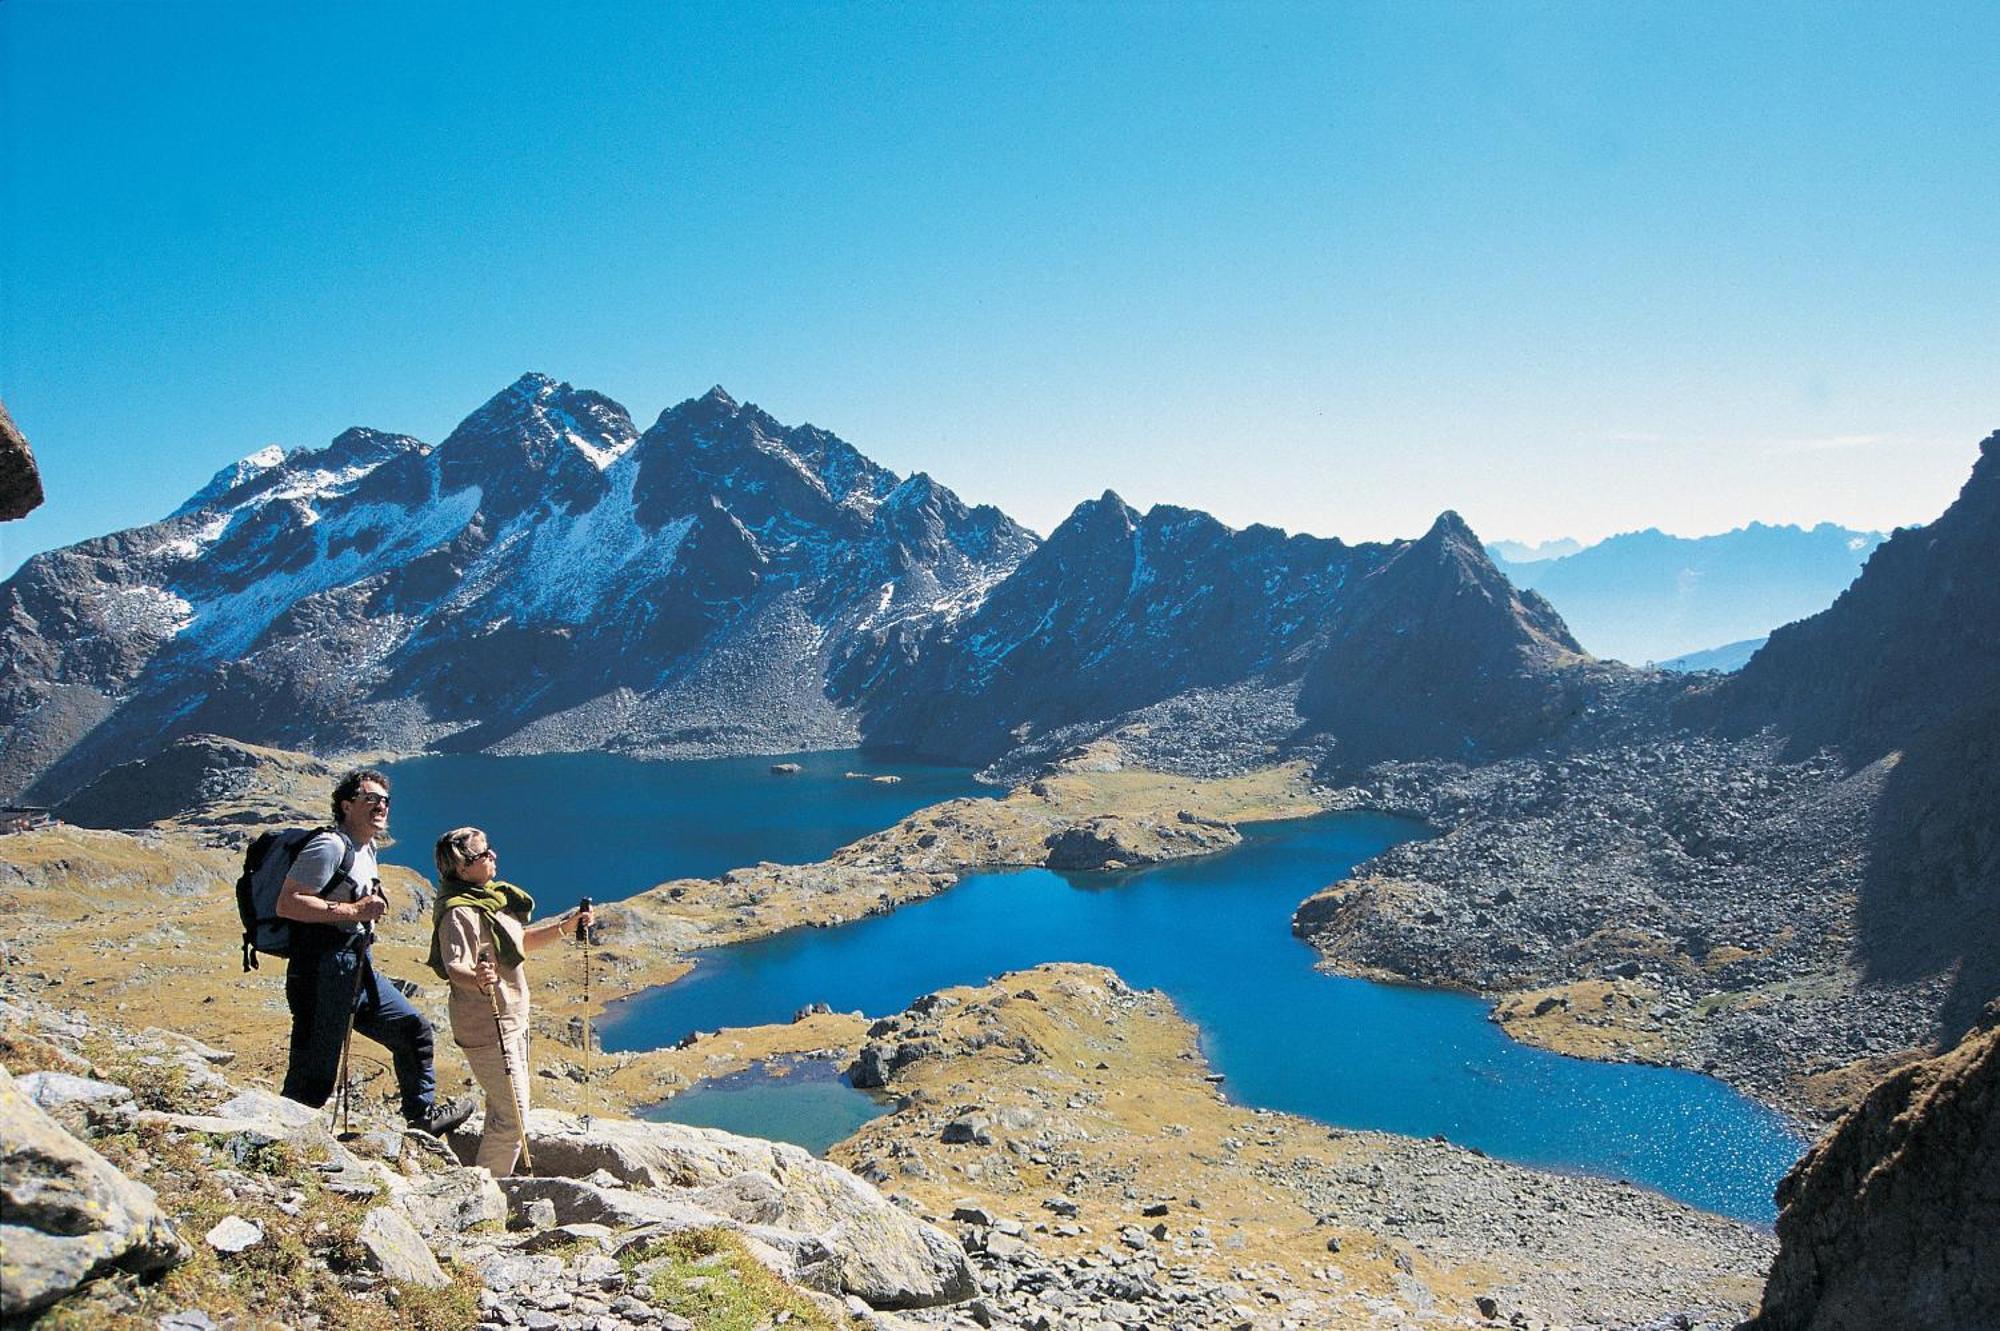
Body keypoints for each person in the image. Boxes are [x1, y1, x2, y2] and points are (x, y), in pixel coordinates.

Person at [276, 769, 472, 1136]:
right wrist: (353, 912)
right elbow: (288, 903)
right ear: (347, 805)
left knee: (412, 1029)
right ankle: (284, 1141)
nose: (381, 805)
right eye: (371, 799)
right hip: (321, 967)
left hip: (355, 965)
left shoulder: (367, 846)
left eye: (385, 800)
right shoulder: (329, 846)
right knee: (315, 1067)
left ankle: (422, 1118)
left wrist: (368, 906)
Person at [427, 826, 591, 1176]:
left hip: (513, 1019)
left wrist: (567, 926)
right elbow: (456, 966)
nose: (494, 856)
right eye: (484, 854)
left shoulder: (492, 899)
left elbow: (521, 942)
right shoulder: (460, 913)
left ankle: (488, 1178)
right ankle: (487, 1191)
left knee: (506, 1108)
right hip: (488, 1026)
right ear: (462, 867)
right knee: (513, 1116)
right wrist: (478, 979)